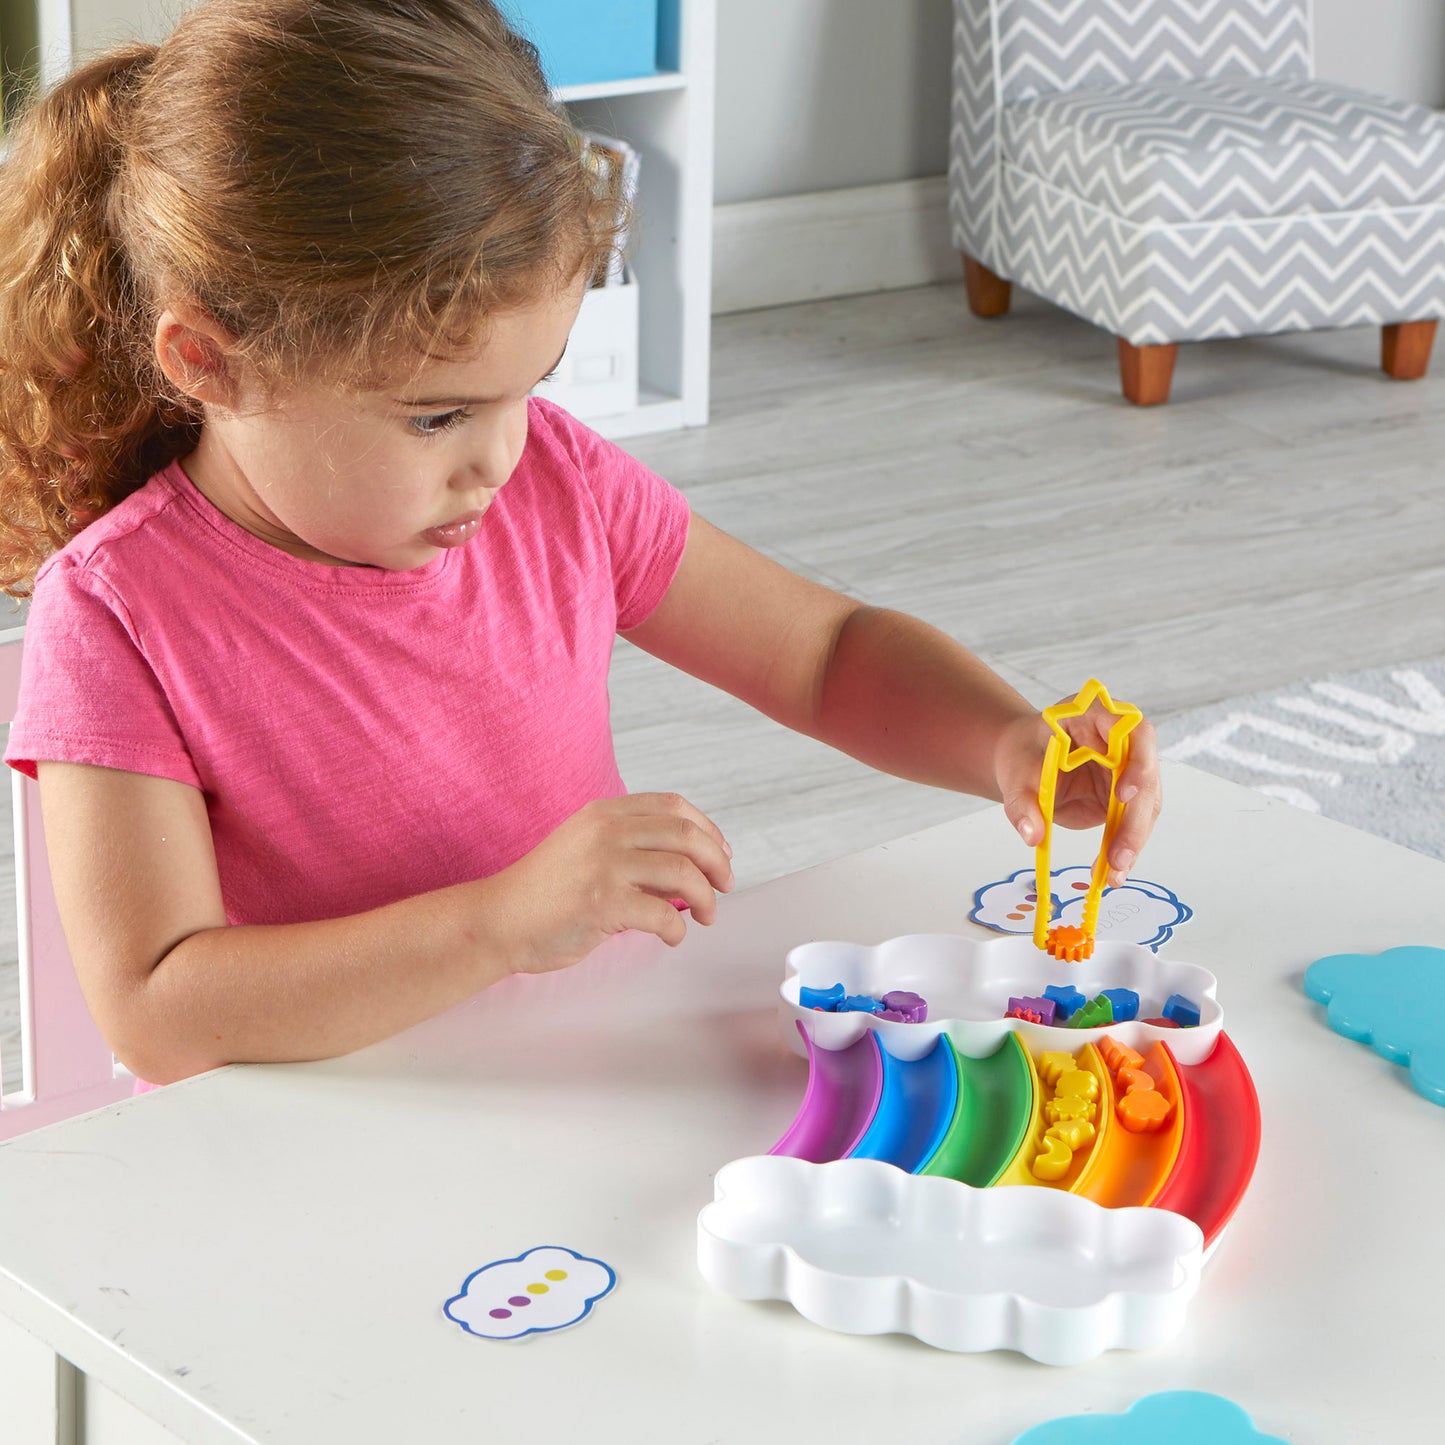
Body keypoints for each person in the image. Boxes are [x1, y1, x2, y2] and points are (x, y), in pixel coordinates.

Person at [0, 0, 1161, 1087]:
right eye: (436, 414)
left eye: (531, 386)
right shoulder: (115, 612)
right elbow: (158, 1006)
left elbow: (821, 652)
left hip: (590, 1075)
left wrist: (1006, 739)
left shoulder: (550, 479)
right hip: (348, 1132)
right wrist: (498, 921)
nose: (499, 458)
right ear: (210, 360)